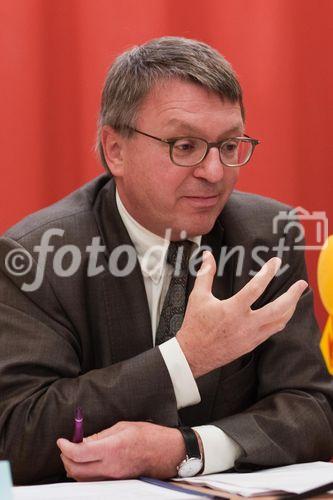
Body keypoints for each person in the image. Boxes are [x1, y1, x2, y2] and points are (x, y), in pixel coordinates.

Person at [0, 36, 332, 486]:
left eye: (229, 146)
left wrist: (188, 449)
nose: (214, 172)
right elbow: (18, 431)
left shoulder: (268, 236)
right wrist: (185, 359)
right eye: (185, 146)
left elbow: (313, 408)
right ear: (115, 150)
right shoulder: (39, 255)